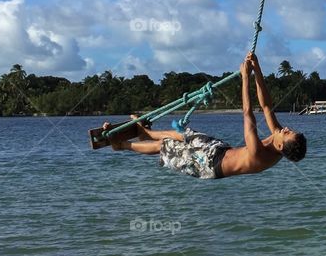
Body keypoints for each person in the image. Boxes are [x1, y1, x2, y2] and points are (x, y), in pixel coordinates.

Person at [104, 53, 307, 178]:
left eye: (288, 133)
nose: (286, 129)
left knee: (165, 145)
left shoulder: (260, 155)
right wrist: (257, 69)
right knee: (184, 135)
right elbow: (266, 106)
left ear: (281, 146)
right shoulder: (277, 137)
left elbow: (248, 114)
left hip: (209, 165)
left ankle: (120, 146)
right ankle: (145, 133)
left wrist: (245, 78)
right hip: (219, 150)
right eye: (290, 130)